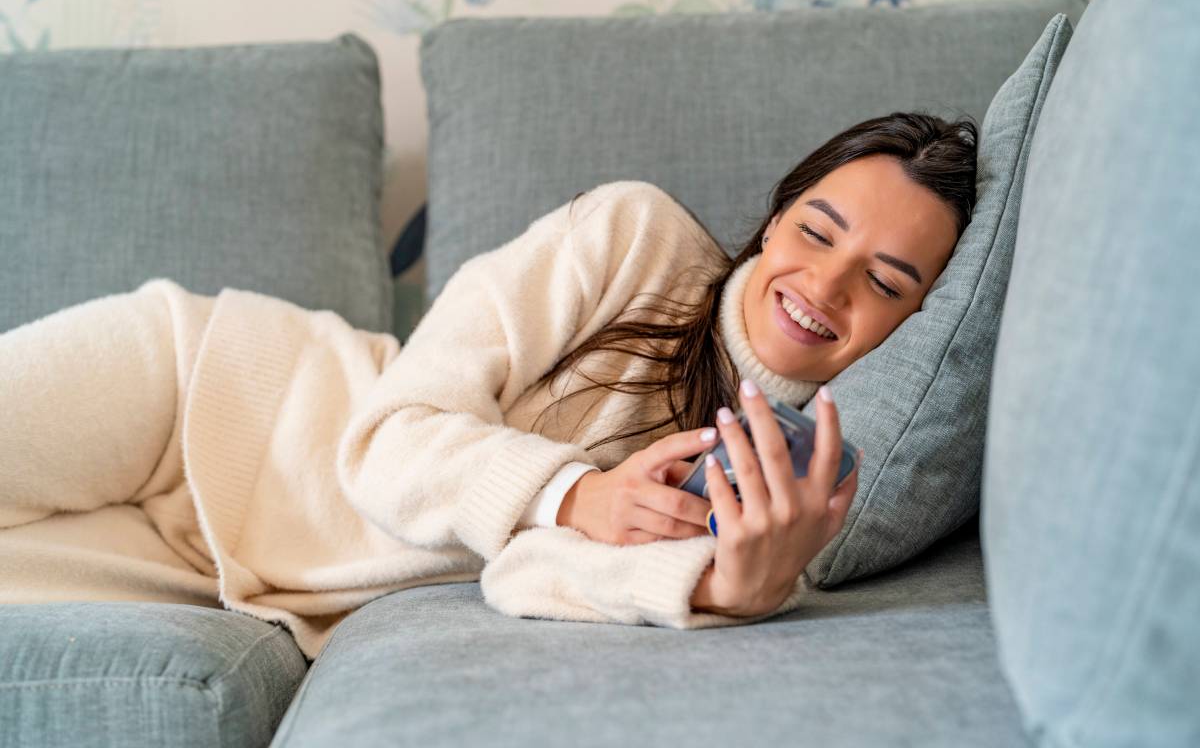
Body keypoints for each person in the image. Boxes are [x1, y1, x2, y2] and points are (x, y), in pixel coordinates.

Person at [0, 111, 977, 661]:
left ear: (915, 323)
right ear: (773, 221)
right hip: (208, 390)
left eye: (887, 282)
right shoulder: (635, 238)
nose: (827, 282)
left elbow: (526, 576)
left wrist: (736, 583)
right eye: (816, 229)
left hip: (238, 573)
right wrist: (579, 493)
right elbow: (391, 434)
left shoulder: (781, 481)